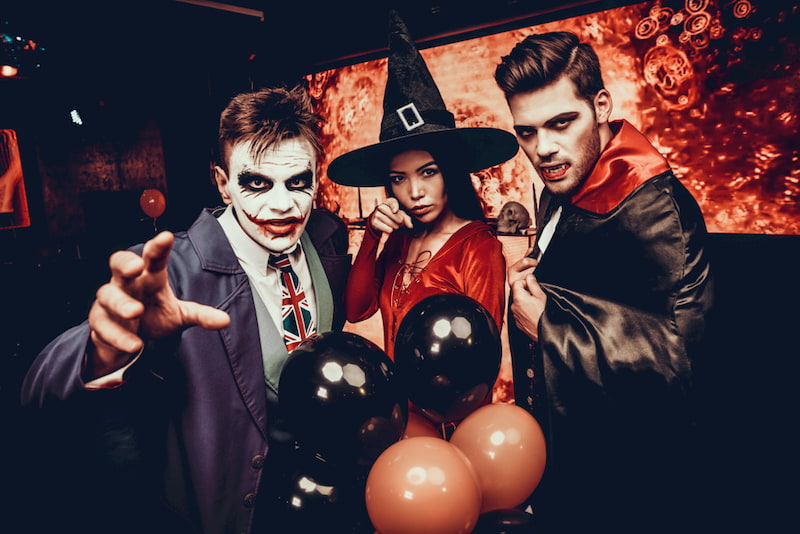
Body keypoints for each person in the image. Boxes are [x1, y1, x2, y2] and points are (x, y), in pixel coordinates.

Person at [20, 84, 351, 534]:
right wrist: (100, 350)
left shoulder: (329, 236)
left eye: (298, 182)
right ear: (223, 184)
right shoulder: (170, 270)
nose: (282, 204)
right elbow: (38, 391)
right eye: (257, 183)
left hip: (324, 502)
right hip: (231, 512)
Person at [494, 32, 714, 533]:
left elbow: (681, 368)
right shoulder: (564, 182)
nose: (543, 149)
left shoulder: (657, 210)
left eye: (561, 123)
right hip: (569, 464)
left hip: (634, 493)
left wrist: (547, 327)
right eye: (526, 132)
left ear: (600, 106)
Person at [327, 10, 518, 362]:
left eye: (428, 172)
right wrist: (372, 236)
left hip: (454, 415)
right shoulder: (399, 241)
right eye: (398, 178)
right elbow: (356, 311)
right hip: (396, 413)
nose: (414, 191)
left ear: (450, 172)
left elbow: (481, 356)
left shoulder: (477, 248)